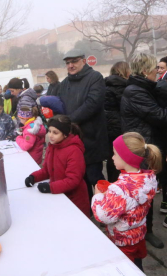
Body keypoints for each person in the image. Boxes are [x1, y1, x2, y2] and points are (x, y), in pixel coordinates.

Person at [121, 52, 167, 248]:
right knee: (141, 194)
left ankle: (145, 230)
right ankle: (143, 232)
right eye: (155, 69)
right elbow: (160, 116)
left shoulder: (143, 88)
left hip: (146, 146)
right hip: (139, 150)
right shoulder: (135, 91)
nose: (158, 72)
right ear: (145, 71)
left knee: (147, 192)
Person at [92, 132, 161, 272]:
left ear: (126, 158)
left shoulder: (120, 189)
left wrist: (98, 196)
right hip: (138, 236)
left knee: (125, 270)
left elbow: (104, 216)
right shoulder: (149, 179)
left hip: (122, 241)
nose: (112, 157)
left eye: (115, 154)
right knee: (137, 266)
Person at [58, 48, 108, 202]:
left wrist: (68, 121)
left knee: (95, 177)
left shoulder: (95, 77)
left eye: (74, 61)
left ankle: (108, 208)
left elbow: (92, 104)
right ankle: (88, 210)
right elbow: (60, 105)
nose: (71, 65)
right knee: (79, 178)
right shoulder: (65, 83)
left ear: (83, 61)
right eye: (68, 63)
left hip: (91, 138)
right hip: (73, 139)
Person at [24, 115, 90, 217]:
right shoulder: (52, 146)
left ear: (65, 134)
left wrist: (50, 187)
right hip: (59, 196)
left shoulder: (74, 151)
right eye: (49, 131)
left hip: (75, 201)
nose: (50, 135)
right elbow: (47, 170)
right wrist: (33, 177)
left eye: (55, 133)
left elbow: (73, 180)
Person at [104, 61, 130, 182]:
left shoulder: (105, 85)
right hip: (120, 126)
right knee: (123, 157)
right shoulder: (123, 86)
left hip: (107, 126)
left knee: (112, 157)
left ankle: (112, 182)